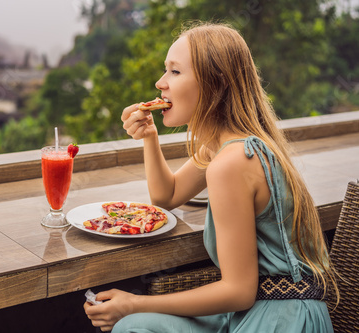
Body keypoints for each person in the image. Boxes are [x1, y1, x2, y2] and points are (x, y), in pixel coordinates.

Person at [83, 21, 338, 332]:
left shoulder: (232, 163)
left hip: (281, 319)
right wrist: (150, 137)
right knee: (137, 326)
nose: (160, 83)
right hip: (259, 308)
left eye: (175, 72)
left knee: (132, 324)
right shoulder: (225, 146)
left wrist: (134, 303)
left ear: (214, 85)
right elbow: (168, 196)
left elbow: (238, 291)